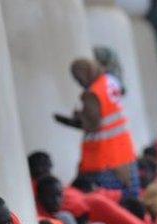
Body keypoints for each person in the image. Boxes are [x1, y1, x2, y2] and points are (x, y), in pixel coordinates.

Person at [54, 58, 139, 198]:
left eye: (78, 78)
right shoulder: (109, 81)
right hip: (124, 149)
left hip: (104, 157)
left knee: (111, 200)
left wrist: (78, 117)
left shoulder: (92, 94)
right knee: (130, 196)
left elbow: (93, 124)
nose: (79, 82)